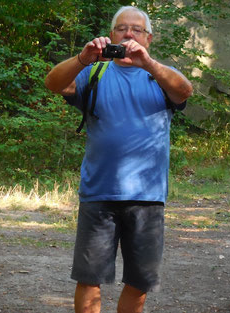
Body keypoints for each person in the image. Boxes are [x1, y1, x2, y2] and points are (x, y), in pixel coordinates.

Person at [45, 5, 193, 313]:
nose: (128, 34)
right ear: (111, 35)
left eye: (136, 30)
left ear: (148, 38)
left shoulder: (161, 76)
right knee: (89, 278)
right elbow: (54, 84)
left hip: (148, 196)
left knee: (139, 282)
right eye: (121, 28)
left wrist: (148, 63)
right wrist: (83, 58)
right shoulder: (93, 73)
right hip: (99, 192)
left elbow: (184, 91)